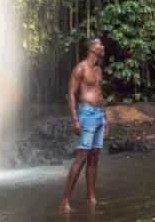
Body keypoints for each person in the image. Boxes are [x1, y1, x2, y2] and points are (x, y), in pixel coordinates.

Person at [59, 37, 108, 213]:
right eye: (99, 44)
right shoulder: (80, 68)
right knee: (81, 157)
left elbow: (100, 93)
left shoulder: (98, 70)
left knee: (94, 157)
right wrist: (75, 119)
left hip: (99, 114)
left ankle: (91, 197)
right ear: (91, 48)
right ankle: (65, 201)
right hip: (86, 114)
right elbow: (71, 94)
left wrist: (105, 118)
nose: (102, 46)